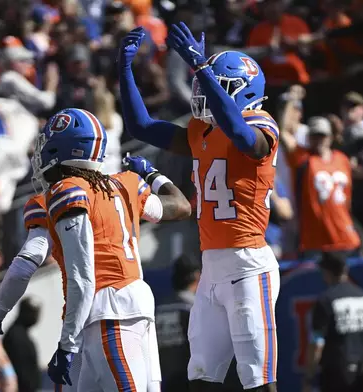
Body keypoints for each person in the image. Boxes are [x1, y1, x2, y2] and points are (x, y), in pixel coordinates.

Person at [0, 108, 191, 392]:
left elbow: (44, 268)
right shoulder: (127, 183)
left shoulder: (63, 191)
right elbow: (181, 206)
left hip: (107, 312)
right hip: (125, 308)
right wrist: (152, 174)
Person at [119, 23, 281, 391]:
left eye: (216, 87)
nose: (203, 93)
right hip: (210, 269)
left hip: (248, 266)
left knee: (258, 381)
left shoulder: (261, 124)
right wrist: (125, 71)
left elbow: (241, 136)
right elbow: (141, 126)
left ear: (245, 93)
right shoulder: (201, 131)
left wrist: (200, 66)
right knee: (202, 379)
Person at [279, 116, 361, 259]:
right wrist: (291, 99)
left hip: (344, 233)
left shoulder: (342, 159)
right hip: (314, 239)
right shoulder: (302, 159)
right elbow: (284, 133)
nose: (319, 140)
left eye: (322, 136)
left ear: (330, 137)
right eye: (315, 136)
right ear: (309, 138)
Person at [302, 252, 363, 392]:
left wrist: (309, 376)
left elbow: (317, 343)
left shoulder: (326, 300)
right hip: (362, 372)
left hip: (335, 374)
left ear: (326, 272)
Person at [155, 254, 200, 392]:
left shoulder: (159, 308)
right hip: (189, 381)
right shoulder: (195, 307)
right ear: (197, 276)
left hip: (163, 380)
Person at [2, 297, 42, 392]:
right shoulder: (16, 337)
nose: (36, 317)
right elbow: (21, 370)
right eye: (34, 313)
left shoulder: (19, 333)